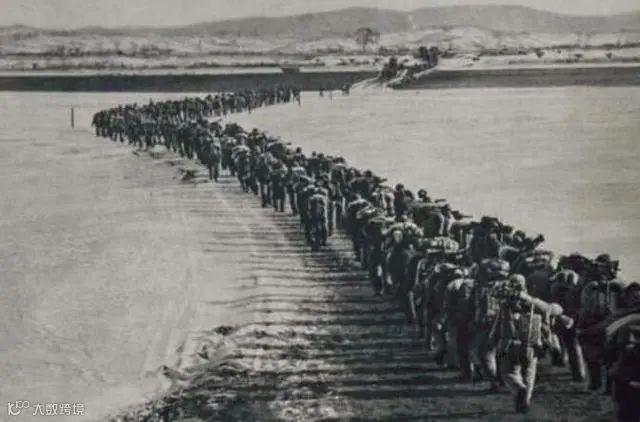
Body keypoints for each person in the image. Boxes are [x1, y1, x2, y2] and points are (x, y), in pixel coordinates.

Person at [493, 274, 572, 414]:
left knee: (509, 372)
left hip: (509, 345)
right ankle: (525, 401)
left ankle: (518, 388)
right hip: (531, 345)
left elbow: (496, 327)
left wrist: (493, 341)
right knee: (529, 374)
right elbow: (555, 309)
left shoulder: (505, 305)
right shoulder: (534, 303)